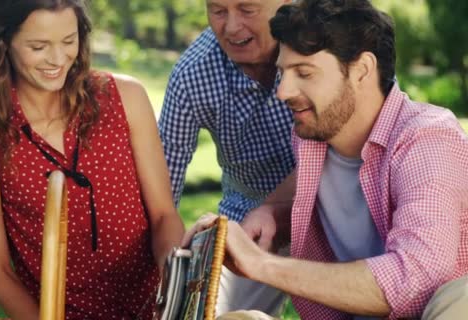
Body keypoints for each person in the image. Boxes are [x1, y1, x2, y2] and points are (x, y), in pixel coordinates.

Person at [191, 0, 468, 319]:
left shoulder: (427, 139)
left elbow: (415, 278)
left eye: (304, 73)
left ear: (362, 69)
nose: (282, 92)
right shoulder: (313, 140)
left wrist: (264, 266)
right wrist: (270, 217)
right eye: (283, 72)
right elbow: (327, 200)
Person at [0, 0, 185, 319]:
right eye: (39, 46)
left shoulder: (127, 97)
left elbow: (164, 216)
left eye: (69, 42)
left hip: (152, 308)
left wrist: (175, 288)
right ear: (3, 43)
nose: (58, 59)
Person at [158, 0, 296, 316]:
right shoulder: (192, 74)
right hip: (246, 219)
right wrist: (171, 273)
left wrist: (273, 208)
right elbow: (163, 187)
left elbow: (357, 144)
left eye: (247, 9)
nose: (231, 27)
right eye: (218, 11)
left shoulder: (328, 40)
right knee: (205, 313)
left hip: (333, 204)